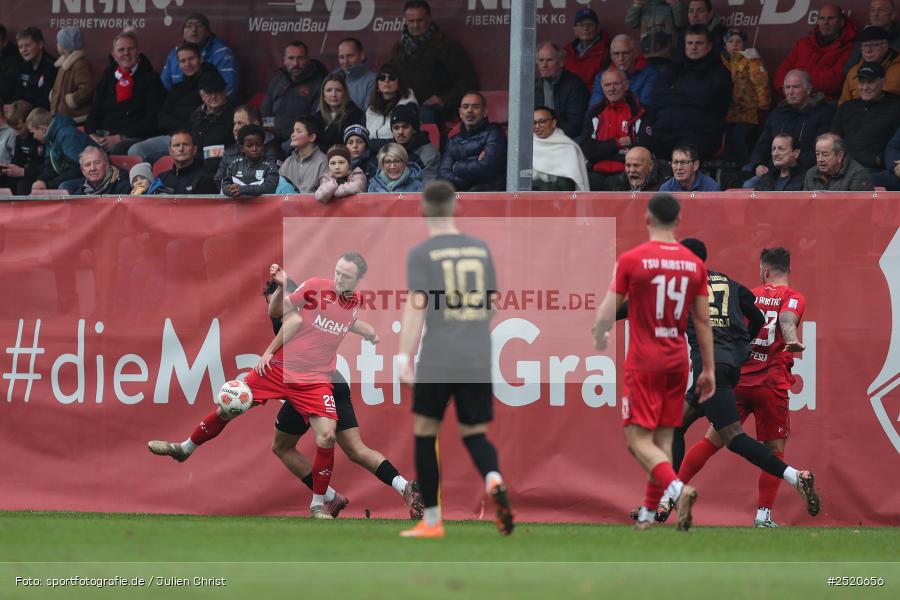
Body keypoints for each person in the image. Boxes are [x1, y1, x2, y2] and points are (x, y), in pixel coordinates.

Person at [150, 253, 370, 519]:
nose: (339, 279)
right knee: (229, 407)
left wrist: (268, 350)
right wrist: (281, 286)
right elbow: (277, 311)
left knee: (327, 437)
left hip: (313, 379)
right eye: (338, 272)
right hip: (278, 371)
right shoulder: (305, 295)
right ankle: (184, 448)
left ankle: (319, 505)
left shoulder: (329, 301)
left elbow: (297, 320)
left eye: (346, 275)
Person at [628, 239, 820, 527]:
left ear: (764, 271)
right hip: (768, 381)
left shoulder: (749, 292)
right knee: (768, 446)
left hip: (737, 378)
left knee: (714, 440)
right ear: (787, 270)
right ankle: (764, 514)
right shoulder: (785, 295)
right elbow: (786, 320)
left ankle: (668, 497)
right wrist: (790, 340)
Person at [592, 193, 714, 531]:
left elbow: (607, 309)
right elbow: (703, 321)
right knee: (662, 442)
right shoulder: (694, 265)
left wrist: (600, 333)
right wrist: (709, 369)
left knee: (638, 441)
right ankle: (647, 515)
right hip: (677, 360)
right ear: (677, 221)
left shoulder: (633, 259)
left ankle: (677, 489)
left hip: (645, 360)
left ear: (646, 219)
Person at [397, 180, 513, 539]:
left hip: (439, 353)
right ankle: (493, 478)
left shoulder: (421, 253)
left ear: (422, 211)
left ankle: (432, 521)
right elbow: (493, 304)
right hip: (476, 352)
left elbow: (416, 305)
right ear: (455, 208)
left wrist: (403, 356)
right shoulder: (479, 249)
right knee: (475, 433)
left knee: (425, 433)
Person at [263, 278, 423, 520]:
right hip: (334, 381)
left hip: (310, 385)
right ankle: (404, 487)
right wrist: (370, 332)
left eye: (274, 298)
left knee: (282, 446)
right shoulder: (316, 310)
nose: (272, 307)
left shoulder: (290, 316)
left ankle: (326, 498)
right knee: (356, 449)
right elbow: (353, 323)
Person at [649, 25, 732, 160]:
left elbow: (709, 102)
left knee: (682, 155)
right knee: (640, 151)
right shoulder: (673, 69)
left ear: (709, 46)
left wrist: (674, 95)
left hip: (699, 133)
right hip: (664, 130)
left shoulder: (720, 73)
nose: (693, 47)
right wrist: (690, 97)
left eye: (699, 43)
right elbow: (657, 97)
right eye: (690, 43)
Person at [389, 0, 478, 123]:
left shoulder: (447, 46)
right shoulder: (398, 49)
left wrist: (443, 99)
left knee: (424, 114)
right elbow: (390, 75)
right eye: (411, 21)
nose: (415, 25)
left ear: (429, 19)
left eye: (420, 20)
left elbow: (468, 81)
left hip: (435, 110)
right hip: (405, 105)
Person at [128, 42, 215, 163]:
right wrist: (179, 128)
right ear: (178, 64)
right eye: (183, 61)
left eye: (191, 59)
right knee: (136, 150)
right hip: (172, 137)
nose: (187, 64)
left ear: (200, 59)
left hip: (198, 140)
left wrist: (183, 128)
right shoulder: (177, 88)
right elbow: (162, 118)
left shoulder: (212, 84)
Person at [85, 31, 166, 155]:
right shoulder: (108, 76)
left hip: (133, 138)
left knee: (117, 149)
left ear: (138, 52)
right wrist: (91, 134)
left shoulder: (151, 78)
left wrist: (122, 137)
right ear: (114, 55)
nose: (126, 53)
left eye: (130, 49)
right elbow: (95, 110)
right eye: (121, 50)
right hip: (103, 137)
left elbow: (154, 119)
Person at [749, 69, 836, 180]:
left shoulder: (824, 113)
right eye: (787, 87)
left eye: (796, 87)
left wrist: (793, 164)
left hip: (807, 173)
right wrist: (758, 164)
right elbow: (762, 145)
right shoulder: (777, 114)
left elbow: (822, 150)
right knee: (748, 185)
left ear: (808, 89)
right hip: (774, 172)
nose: (790, 92)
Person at [581, 68, 650, 190]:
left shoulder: (641, 112)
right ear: (602, 88)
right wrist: (618, 143)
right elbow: (588, 150)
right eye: (607, 85)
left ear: (626, 85)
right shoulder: (594, 113)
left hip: (627, 173)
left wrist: (603, 150)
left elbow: (644, 146)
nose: (611, 89)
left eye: (616, 84)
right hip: (595, 172)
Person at [774, 4, 858, 101]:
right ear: (818, 21)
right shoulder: (803, 43)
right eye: (822, 18)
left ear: (841, 22)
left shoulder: (849, 47)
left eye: (831, 18)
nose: (825, 22)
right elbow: (782, 70)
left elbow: (836, 80)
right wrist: (787, 89)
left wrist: (797, 85)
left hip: (823, 102)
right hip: (792, 100)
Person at [831, 62, 900, 172]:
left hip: (875, 170)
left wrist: (878, 160)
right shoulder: (847, 107)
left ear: (883, 82)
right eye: (861, 82)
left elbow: (896, 145)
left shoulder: (896, 107)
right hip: (841, 168)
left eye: (870, 82)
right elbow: (833, 139)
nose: (865, 87)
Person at [720, 29, 770, 168]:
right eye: (730, 41)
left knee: (739, 139)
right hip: (729, 113)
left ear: (744, 44)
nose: (734, 45)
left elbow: (762, 84)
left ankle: (747, 169)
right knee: (727, 141)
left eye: (739, 41)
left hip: (749, 113)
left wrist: (763, 108)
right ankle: (729, 170)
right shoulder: (722, 63)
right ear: (725, 45)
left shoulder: (751, 61)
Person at [160, 13, 239, 102]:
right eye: (189, 26)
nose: (194, 29)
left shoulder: (221, 52)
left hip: (211, 106)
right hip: (180, 106)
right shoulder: (174, 54)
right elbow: (163, 88)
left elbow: (229, 88)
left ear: (208, 32)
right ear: (183, 35)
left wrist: (207, 109)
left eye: (199, 25)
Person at [438, 92, 506, 192]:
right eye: (465, 107)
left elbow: (488, 167)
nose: (470, 110)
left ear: (485, 112)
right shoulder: (453, 141)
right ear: (460, 113)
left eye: (475, 107)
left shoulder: (494, 133)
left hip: (488, 197)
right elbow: (443, 177)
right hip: (461, 198)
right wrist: (476, 169)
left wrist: (457, 167)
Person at [262, 41, 328, 143]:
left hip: (300, 139)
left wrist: (283, 137)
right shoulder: (278, 79)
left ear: (307, 60)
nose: (295, 64)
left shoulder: (319, 84)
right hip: (271, 137)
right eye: (291, 58)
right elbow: (265, 113)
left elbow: (313, 122)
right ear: (284, 60)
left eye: (300, 58)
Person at [26, 107, 94, 192]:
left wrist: (49, 185)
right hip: (73, 176)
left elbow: (78, 169)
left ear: (42, 129)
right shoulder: (49, 139)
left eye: (33, 133)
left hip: (90, 176)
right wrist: (41, 180)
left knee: (64, 186)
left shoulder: (67, 135)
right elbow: (49, 167)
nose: (34, 137)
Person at [214, 104, 282, 188]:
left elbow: (273, 182)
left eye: (240, 123)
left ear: (255, 124)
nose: (235, 128)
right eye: (234, 124)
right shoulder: (230, 151)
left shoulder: (272, 149)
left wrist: (242, 190)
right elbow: (219, 179)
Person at [534, 42, 590, 139]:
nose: (544, 65)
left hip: (566, 139)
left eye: (549, 60)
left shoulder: (575, 85)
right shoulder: (533, 86)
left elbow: (575, 125)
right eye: (541, 60)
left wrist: (550, 136)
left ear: (561, 62)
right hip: (538, 138)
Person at [590, 34, 658, 110]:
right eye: (616, 54)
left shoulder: (649, 75)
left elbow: (645, 109)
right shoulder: (601, 77)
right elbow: (594, 108)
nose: (621, 58)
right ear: (611, 57)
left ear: (635, 54)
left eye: (625, 53)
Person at [187, 70, 234, 176]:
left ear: (225, 91)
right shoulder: (196, 115)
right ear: (202, 95)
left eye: (217, 92)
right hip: (196, 170)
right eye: (209, 93)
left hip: (222, 171)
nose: (213, 96)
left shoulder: (235, 115)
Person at [532, 106, 589, 192]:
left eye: (542, 122)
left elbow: (566, 186)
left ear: (553, 123)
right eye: (534, 123)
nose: (537, 126)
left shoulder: (568, 148)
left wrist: (536, 188)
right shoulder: (527, 145)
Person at [840, 26, 900, 103]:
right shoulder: (854, 71)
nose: (868, 50)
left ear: (885, 46)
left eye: (873, 45)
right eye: (864, 45)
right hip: (858, 110)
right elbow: (843, 103)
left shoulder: (898, 69)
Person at [150, 131, 217, 195]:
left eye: (185, 144)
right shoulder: (161, 179)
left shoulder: (204, 180)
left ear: (194, 149)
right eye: (176, 145)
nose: (181, 149)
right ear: (170, 151)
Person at [221, 124, 279, 197]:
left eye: (258, 145)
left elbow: (269, 188)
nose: (254, 149)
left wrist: (243, 189)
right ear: (242, 148)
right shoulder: (234, 165)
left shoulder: (270, 166)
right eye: (249, 145)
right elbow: (225, 184)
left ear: (263, 146)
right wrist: (231, 190)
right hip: (238, 204)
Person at [48, 26, 91, 123]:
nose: (57, 44)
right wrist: (54, 95)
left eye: (59, 42)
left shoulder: (80, 65)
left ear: (65, 45)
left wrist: (72, 100)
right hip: (61, 114)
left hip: (72, 116)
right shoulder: (63, 64)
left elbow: (86, 89)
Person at [365, 64, 417, 144]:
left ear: (399, 82)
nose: (386, 81)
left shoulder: (408, 106)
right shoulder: (370, 109)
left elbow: (400, 139)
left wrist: (369, 144)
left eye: (392, 78)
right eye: (382, 78)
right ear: (377, 83)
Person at [803, 132, 874, 191]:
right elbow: (805, 203)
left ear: (840, 156)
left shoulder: (858, 174)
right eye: (817, 154)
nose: (820, 159)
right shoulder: (811, 173)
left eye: (825, 154)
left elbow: (859, 204)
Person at [625, 0, 687, 66]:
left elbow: (681, 23)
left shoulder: (672, 4)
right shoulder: (644, 5)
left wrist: (675, 3)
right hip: (646, 54)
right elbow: (631, 23)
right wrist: (637, 4)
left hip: (668, 55)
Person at [844, 0, 900, 72]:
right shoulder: (863, 33)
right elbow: (849, 68)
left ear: (893, 15)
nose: (875, 14)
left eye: (881, 10)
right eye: (872, 10)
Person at [390, 103, 439, 182]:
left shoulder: (429, 154)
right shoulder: (388, 151)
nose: (400, 132)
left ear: (414, 129)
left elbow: (427, 186)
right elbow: (378, 181)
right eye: (396, 128)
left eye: (405, 127)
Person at [564, 7, 610, 90]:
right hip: (571, 95)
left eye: (590, 24)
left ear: (597, 28)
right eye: (581, 25)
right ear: (575, 30)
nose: (586, 28)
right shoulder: (567, 52)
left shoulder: (608, 50)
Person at [315, 74, 364, 152]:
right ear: (323, 95)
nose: (334, 95)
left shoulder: (355, 114)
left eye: (338, 90)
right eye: (329, 90)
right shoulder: (316, 117)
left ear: (345, 93)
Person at [11, 27, 56, 110]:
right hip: (23, 112)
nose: (23, 50)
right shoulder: (22, 65)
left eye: (27, 45)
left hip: (42, 113)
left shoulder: (52, 66)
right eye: (20, 47)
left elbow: (48, 100)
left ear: (40, 45)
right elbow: (17, 93)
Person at [279, 117, 328, 194]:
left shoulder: (323, 161)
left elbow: (326, 194)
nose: (292, 135)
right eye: (293, 131)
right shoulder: (289, 161)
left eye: (298, 131)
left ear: (312, 137)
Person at [334, 37, 376, 111]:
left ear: (362, 55)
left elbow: (368, 114)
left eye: (350, 56)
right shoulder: (332, 77)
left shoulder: (372, 80)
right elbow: (322, 110)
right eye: (341, 57)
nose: (345, 61)